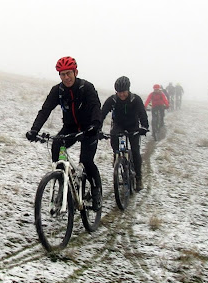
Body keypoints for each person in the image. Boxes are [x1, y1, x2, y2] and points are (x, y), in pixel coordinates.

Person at [26, 56, 103, 209]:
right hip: (70, 127)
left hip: (89, 127)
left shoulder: (86, 87)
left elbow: (96, 107)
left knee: (86, 161)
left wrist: (95, 125)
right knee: (56, 145)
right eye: (62, 74)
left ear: (75, 72)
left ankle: (96, 192)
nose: (66, 77)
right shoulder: (58, 90)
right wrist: (34, 129)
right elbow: (45, 109)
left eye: (68, 73)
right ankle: (63, 179)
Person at [101, 76, 149, 191]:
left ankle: (138, 178)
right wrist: (97, 128)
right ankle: (116, 155)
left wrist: (144, 127)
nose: (121, 95)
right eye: (119, 92)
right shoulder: (112, 100)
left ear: (128, 90)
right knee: (114, 136)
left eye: (123, 92)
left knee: (136, 151)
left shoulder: (135, 99)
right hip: (119, 125)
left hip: (133, 126)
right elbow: (101, 114)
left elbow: (142, 113)